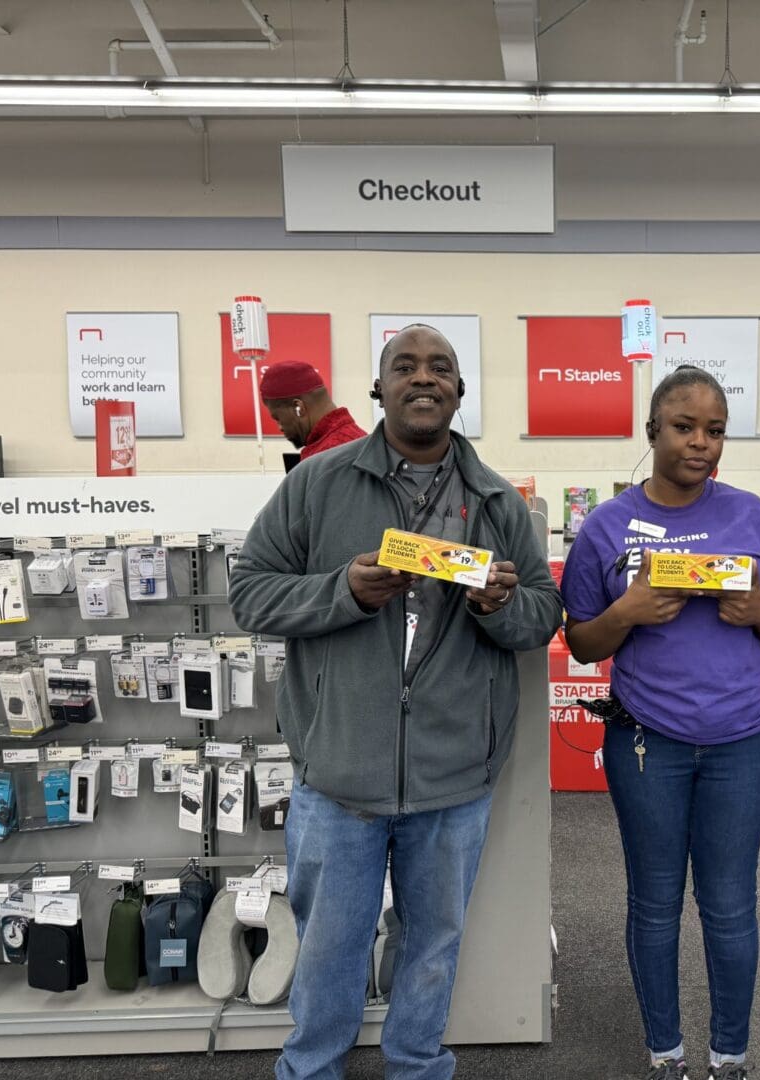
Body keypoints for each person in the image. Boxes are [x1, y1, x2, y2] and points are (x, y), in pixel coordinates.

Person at [230, 324, 563, 1080]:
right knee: (330, 942)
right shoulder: (316, 484)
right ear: (377, 389)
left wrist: (494, 606)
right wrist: (342, 590)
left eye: (440, 368)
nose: (424, 378)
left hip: (451, 776)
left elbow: (541, 616)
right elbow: (248, 591)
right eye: (404, 367)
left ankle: (416, 1063)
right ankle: (312, 1067)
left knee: (433, 944)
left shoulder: (494, 499)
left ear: (459, 392)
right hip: (340, 770)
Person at [560, 365, 760, 1080]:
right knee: (656, 901)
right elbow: (580, 641)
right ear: (652, 432)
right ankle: (664, 1052)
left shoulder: (750, 516)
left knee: (730, 904)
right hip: (646, 740)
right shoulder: (606, 527)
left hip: (741, 741)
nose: (701, 443)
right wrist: (624, 614)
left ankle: (730, 1054)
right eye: (684, 427)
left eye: (716, 430)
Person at [259, 358, 368, 459]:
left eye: (278, 418)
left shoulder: (328, 456)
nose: (280, 427)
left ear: (299, 407)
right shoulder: (358, 441)